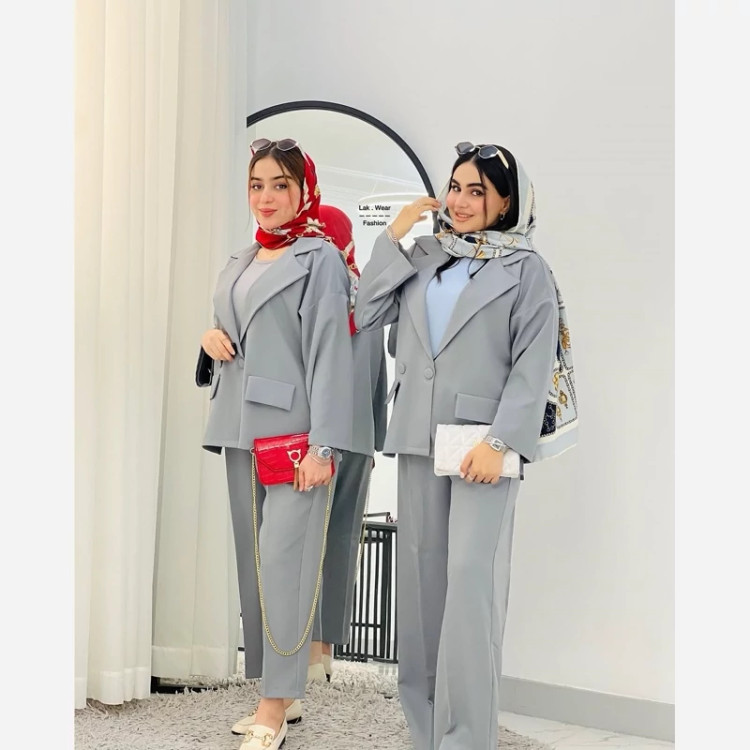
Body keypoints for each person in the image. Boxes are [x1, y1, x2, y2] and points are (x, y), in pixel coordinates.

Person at [353, 142, 578, 750]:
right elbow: (365, 312)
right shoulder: (425, 254)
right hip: (418, 436)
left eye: (477, 191)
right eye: (455, 187)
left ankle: (468, 737)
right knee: (421, 589)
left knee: (470, 586)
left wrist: (502, 441)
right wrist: (393, 237)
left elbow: (533, 364)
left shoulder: (527, 270)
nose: (460, 201)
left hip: (483, 446)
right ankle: (424, 731)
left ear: (507, 202)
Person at [199, 138, 354, 750]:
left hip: (296, 435)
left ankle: (273, 705)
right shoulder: (240, 259)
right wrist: (209, 339)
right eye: (257, 184)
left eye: (280, 185)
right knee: (257, 566)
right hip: (238, 427)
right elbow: (238, 330)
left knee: (286, 564)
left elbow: (330, 355)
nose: (266, 197)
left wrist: (325, 446)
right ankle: (279, 691)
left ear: (304, 190)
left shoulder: (321, 259)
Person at [306, 205, 388, 683]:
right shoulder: (367, 298)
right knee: (341, 543)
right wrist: (375, 437)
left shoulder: (319, 294)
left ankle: (308, 652)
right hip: (358, 440)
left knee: (308, 542)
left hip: (320, 438)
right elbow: (379, 377)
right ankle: (324, 652)